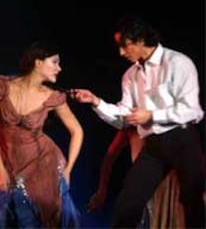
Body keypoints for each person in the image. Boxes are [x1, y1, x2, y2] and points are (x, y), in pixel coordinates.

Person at [71, 14, 205, 228]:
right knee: (128, 203)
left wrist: (152, 115)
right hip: (153, 147)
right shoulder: (130, 75)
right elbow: (124, 118)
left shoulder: (178, 63)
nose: (121, 52)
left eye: (125, 46)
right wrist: (96, 102)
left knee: (192, 203)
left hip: (182, 140)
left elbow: (192, 110)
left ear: (141, 40)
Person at [0, 41, 84, 228]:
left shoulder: (53, 97)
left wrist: (68, 169)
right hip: (10, 163)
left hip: (44, 167)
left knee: (33, 220)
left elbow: (77, 131)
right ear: (38, 62)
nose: (59, 68)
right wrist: (0, 169)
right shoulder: (1, 87)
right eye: (55, 62)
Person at [87, 128, 185, 228]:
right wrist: (101, 191)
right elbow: (109, 158)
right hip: (142, 187)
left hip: (166, 187)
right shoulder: (130, 128)